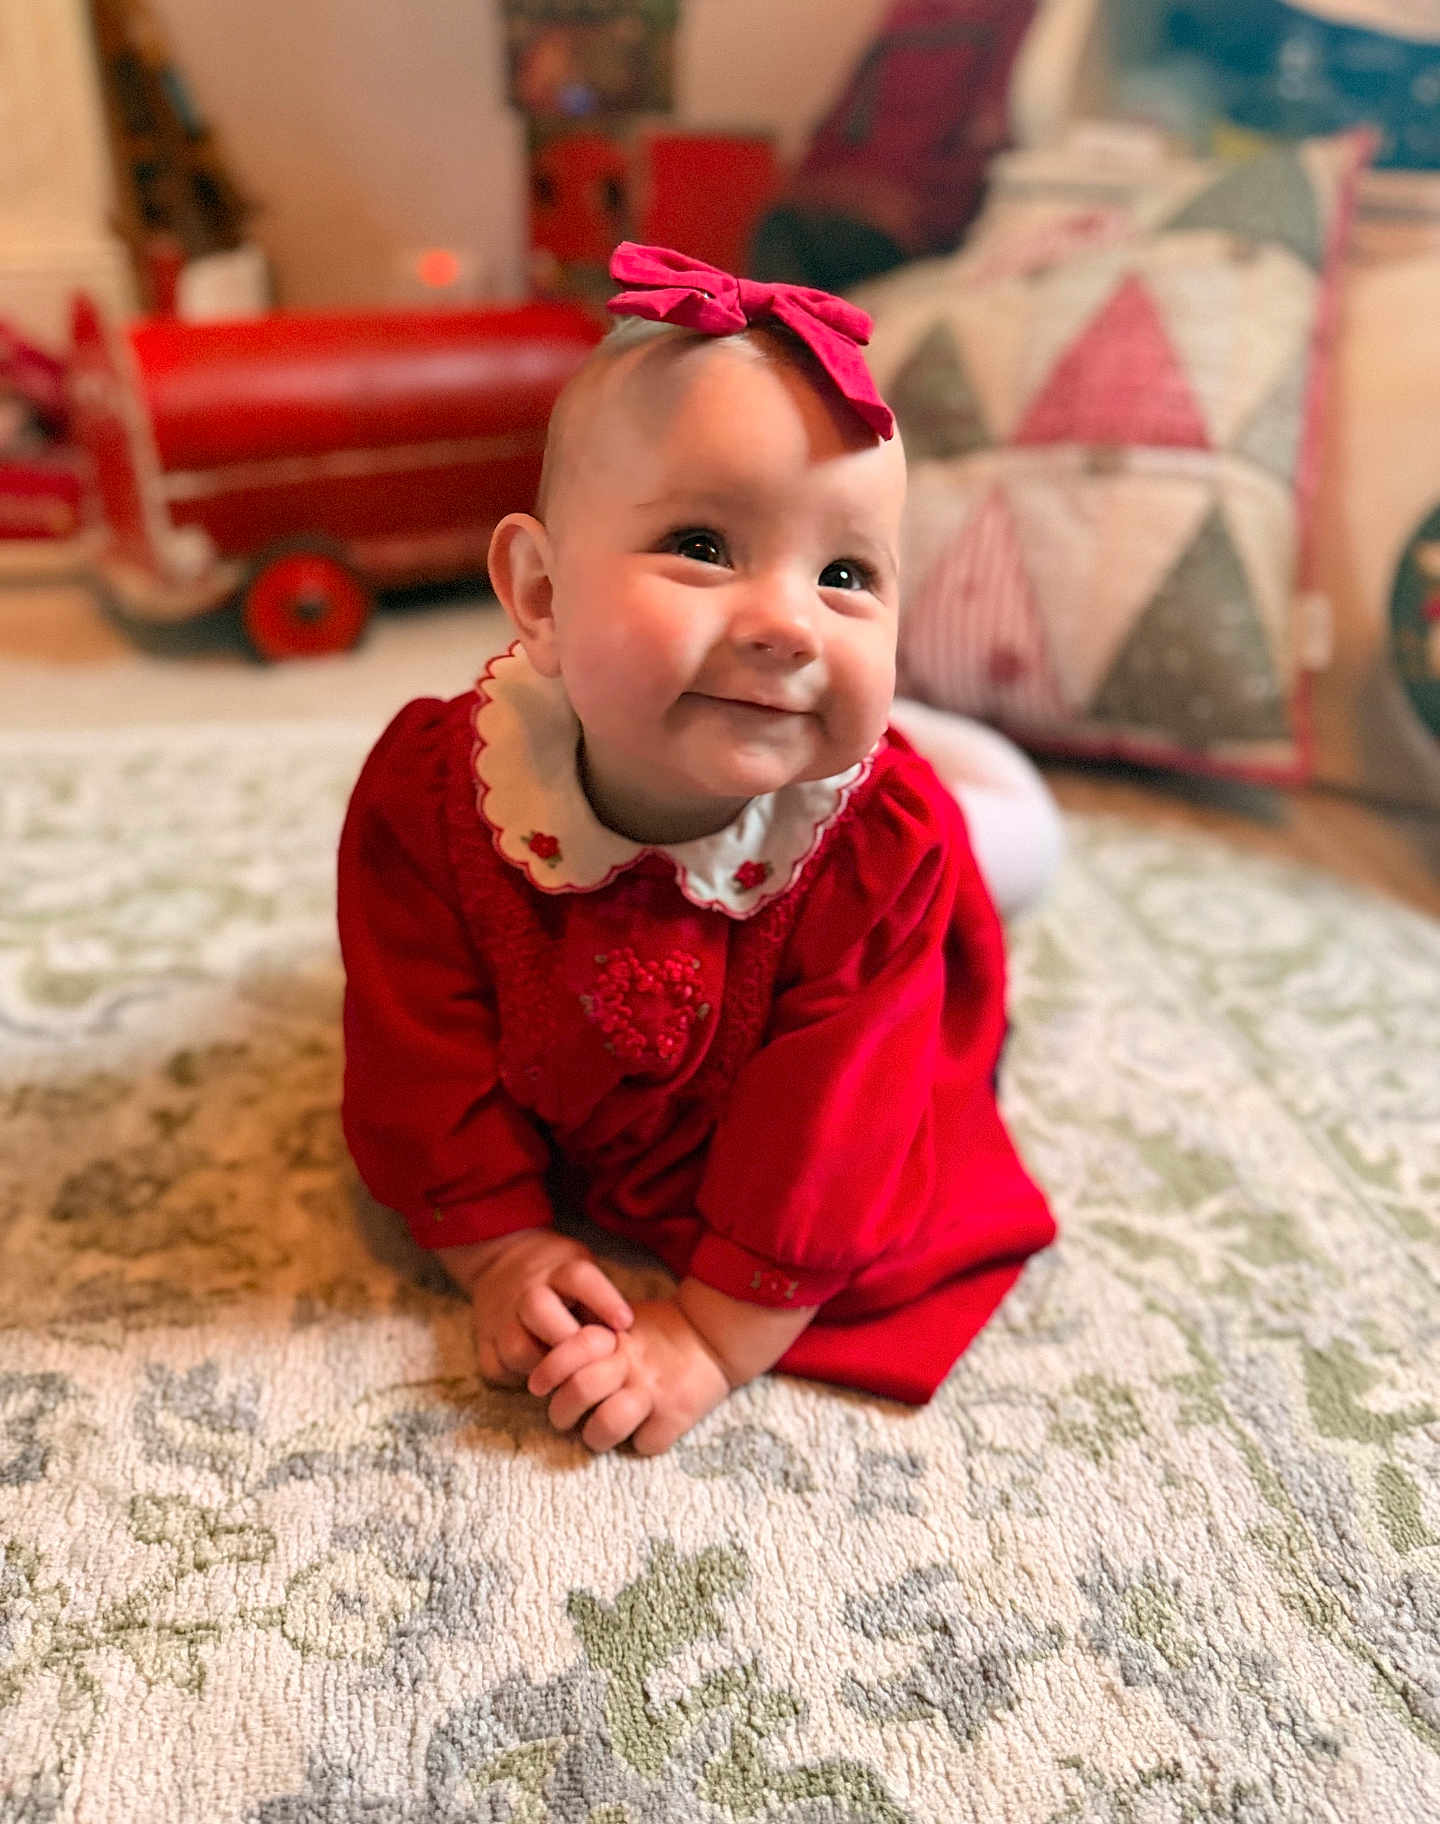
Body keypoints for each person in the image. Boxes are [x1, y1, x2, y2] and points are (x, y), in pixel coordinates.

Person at [337, 243, 1059, 1459]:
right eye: (704, 547)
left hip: (902, 831)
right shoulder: (437, 798)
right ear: (543, 596)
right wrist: (499, 1242)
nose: (785, 621)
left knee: (1016, 846)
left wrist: (715, 1335)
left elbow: (839, 1126)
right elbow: (418, 1034)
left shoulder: (880, 852)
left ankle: (955, 749)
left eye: (844, 574)